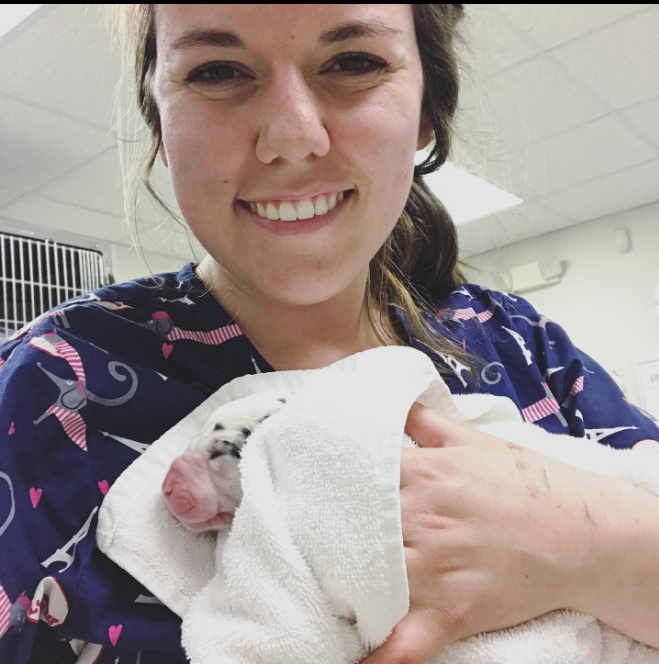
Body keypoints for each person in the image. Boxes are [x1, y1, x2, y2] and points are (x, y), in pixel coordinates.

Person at [1, 5, 659, 664]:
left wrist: (598, 548)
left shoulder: (520, 345)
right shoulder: (47, 388)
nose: (292, 136)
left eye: (353, 62)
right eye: (219, 70)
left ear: (426, 105)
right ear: (161, 125)